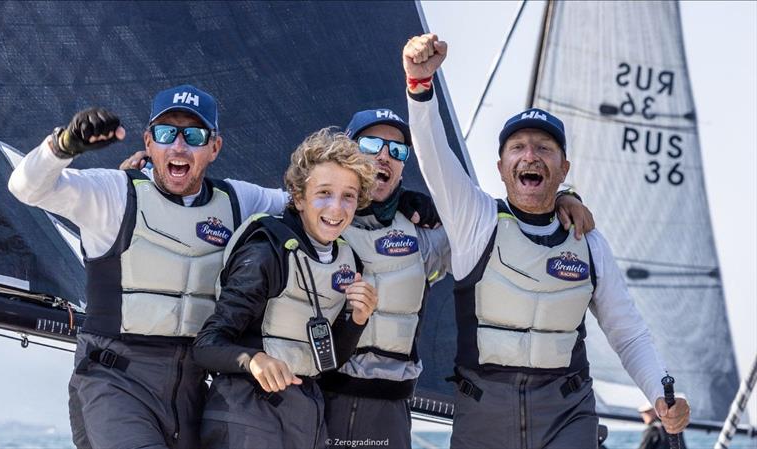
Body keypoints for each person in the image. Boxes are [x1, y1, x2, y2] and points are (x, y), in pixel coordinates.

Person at [402, 34, 691, 448]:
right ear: (501, 167)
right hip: (484, 412)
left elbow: (628, 333)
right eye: (517, 147)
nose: (530, 155)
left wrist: (665, 396)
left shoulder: (589, 242)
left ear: (563, 166)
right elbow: (432, 153)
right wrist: (419, 84)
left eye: (544, 147)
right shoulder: (474, 219)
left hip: (567, 413)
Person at [8, 84, 288, 449]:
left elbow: (316, 203)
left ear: (214, 147)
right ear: (149, 141)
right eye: (166, 132)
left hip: (193, 388)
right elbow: (26, 189)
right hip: (116, 381)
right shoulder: (113, 193)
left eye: (194, 134)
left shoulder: (239, 201)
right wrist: (63, 146)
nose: (179, 145)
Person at [318, 109, 595, 449]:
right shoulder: (305, 219)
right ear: (346, 151)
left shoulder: (427, 237)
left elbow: (503, 228)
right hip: (316, 401)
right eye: (372, 143)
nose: (384, 155)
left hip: (388, 411)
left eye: (398, 150)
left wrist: (563, 200)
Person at [192, 128, 379, 449]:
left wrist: (357, 320)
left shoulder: (349, 261)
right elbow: (207, 346)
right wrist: (253, 360)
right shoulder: (266, 252)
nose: (336, 208)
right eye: (324, 193)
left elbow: (327, 360)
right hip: (247, 410)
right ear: (298, 196)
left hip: (305, 412)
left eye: (348, 195)